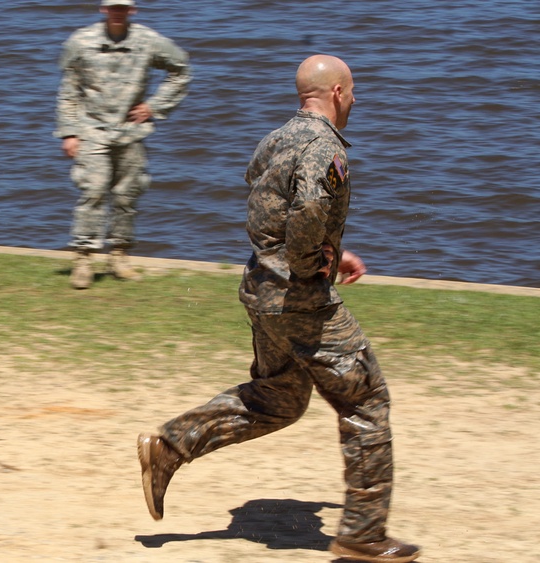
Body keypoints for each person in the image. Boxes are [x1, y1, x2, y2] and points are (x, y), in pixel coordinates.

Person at [136, 55, 421, 562]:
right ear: (336, 92)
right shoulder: (325, 147)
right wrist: (313, 259)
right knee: (367, 402)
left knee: (280, 399)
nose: (354, 100)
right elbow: (310, 208)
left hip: (263, 291)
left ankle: (171, 443)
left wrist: (331, 250)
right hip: (302, 299)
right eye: (352, 92)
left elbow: (263, 192)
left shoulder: (277, 137)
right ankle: (363, 534)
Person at [55, 0, 190, 289]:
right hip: (91, 130)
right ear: (103, 10)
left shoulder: (148, 40)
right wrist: (69, 133)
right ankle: (84, 258)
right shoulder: (81, 41)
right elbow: (68, 91)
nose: (118, 12)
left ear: (133, 10)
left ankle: (119, 256)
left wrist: (153, 106)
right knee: (92, 191)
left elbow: (181, 69)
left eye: (124, 8)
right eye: (113, 7)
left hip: (130, 131)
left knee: (127, 195)